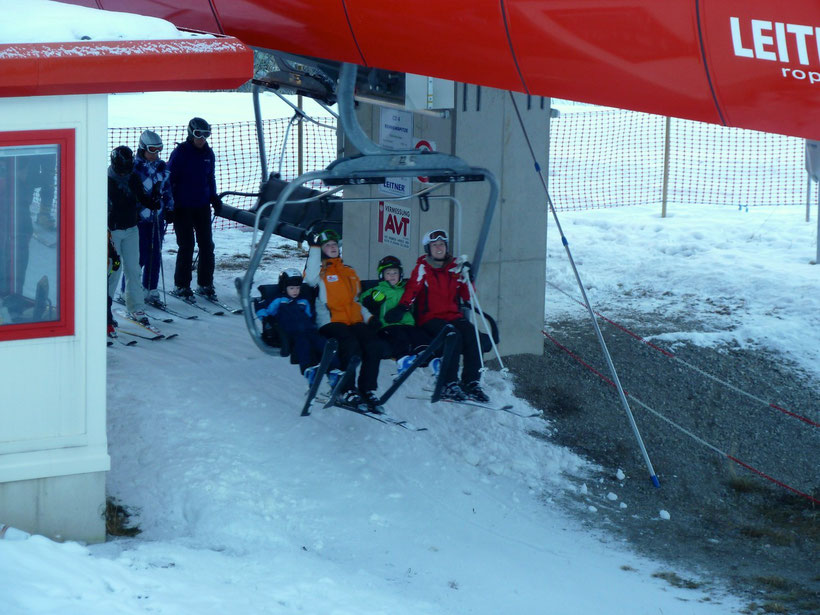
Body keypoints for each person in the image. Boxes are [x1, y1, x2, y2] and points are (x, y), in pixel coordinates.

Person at [385, 228, 489, 402]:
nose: (439, 248)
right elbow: (412, 290)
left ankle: (471, 382)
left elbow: (466, 296)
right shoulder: (422, 269)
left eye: (442, 244)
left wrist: (468, 278)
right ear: (428, 249)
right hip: (430, 318)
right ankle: (448, 383)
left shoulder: (456, 268)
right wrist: (402, 308)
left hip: (453, 315)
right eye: (434, 245)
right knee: (452, 335)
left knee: (472, 335)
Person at [304, 229, 386, 410]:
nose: (332, 247)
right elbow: (309, 278)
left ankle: (367, 389)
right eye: (327, 245)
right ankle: (345, 389)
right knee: (350, 345)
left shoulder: (349, 271)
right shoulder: (319, 273)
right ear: (322, 250)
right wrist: (314, 248)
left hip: (354, 320)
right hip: (331, 322)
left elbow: (355, 301)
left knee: (374, 344)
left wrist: (369, 317)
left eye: (334, 244)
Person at [167, 117, 222, 302]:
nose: (202, 139)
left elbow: (210, 177)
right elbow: (169, 179)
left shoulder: (208, 153)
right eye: (199, 134)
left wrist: (213, 196)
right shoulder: (180, 153)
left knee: (207, 246)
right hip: (183, 207)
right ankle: (181, 285)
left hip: (202, 206)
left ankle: (205, 283)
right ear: (191, 133)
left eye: (206, 134)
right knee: (187, 246)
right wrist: (170, 205)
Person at [255, 268, 338, 380]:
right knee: (303, 344)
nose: (295, 291)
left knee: (324, 344)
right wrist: (267, 320)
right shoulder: (279, 300)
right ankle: (308, 369)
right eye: (292, 288)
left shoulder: (303, 301)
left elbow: (309, 315)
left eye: (298, 288)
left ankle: (334, 370)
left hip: (309, 330)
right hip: (291, 332)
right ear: (284, 288)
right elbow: (265, 310)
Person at [359, 255, 430, 375]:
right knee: (399, 337)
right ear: (382, 275)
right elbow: (361, 301)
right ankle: (402, 360)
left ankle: (425, 355)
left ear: (400, 275)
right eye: (388, 273)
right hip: (388, 326)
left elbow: (414, 296)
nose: (392, 275)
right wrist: (371, 301)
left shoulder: (405, 290)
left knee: (419, 335)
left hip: (408, 324)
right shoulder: (377, 290)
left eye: (395, 272)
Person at [108, 146, 154, 325]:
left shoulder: (133, 177)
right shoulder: (106, 180)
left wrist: (153, 200)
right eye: (122, 170)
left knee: (134, 269)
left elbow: (142, 197)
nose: (124, 174)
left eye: (128, 169)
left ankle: (136, 307)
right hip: (113, 232)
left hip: (131, 229)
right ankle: (105, 309)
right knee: (113, 270)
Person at [134, 130, 174, 307]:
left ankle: (150, 288)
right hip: (140, 220)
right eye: (152, 149)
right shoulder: (135, 168)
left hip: (157, 219)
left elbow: (167, 190)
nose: (155, 154)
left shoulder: (161, 167)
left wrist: (170, 208)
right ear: (142, 149)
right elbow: (132, 195)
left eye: (159, 150)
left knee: (155, 255)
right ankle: (133, 290)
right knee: (139, 256)